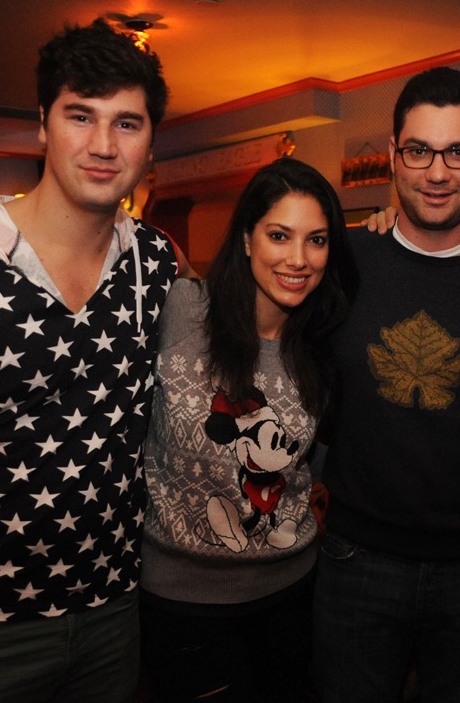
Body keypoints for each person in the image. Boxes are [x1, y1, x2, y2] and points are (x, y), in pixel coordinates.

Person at [0, 19, 187, 702]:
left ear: (149, 142)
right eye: (81, 116)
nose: (104, 145)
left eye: (127, 124)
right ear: (43, 126)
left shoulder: (157, 263)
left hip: (112, 615)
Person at [311, 66, 460, 702]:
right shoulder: (342, 266)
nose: (438, 172)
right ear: (394, 154)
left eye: (458, 151)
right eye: (419, 150)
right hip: (355, 558)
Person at [138, 157, 357, 702]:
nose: (298, 259)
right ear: (246, 238)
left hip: (290, 594)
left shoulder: (325, 344)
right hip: (181, 605)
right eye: (279, 235)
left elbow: (319, 462)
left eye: (318, 240)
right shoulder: (181, 308)